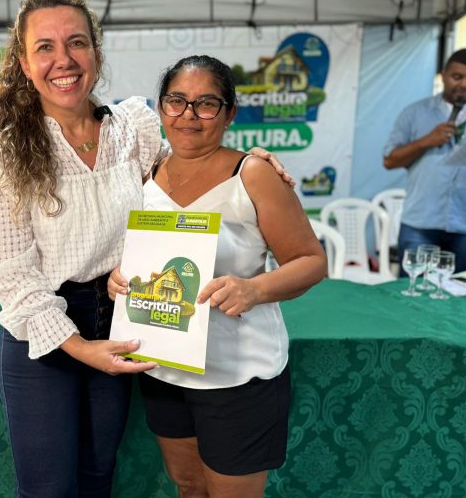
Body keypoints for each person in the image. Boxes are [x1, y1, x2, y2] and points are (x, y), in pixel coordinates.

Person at [0, 0, 292, 497]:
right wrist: (81, 347)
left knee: (98, 478)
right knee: (47, 489)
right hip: (44, 332)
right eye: (45, 47)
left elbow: (187, 167)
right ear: (24, 63)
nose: (63, 59)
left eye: (76, 42)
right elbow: (11, 273)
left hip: (123, 314)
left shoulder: (133, 128)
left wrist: (249, 163)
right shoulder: (5, 154)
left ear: (96, 52)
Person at [108, 55, 327, 498]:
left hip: (237, 375)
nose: (189, 115)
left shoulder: (253, 174)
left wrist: (254, 288)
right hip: (163, 367)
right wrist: (120, 276)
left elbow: (311, 261)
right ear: (161, 107)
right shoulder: (146, 174)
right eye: (176, 101)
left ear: (229, 114)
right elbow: (146, 256)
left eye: (206, 104)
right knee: (188, 485)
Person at [383, 49, 466, 274]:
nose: (464, 84)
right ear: (443, 75)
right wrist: (426, 141)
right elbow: (389, 161)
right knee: (412, 287)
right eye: (457, 77)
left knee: (457, 291)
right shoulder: (415, 112)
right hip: (421, 221)